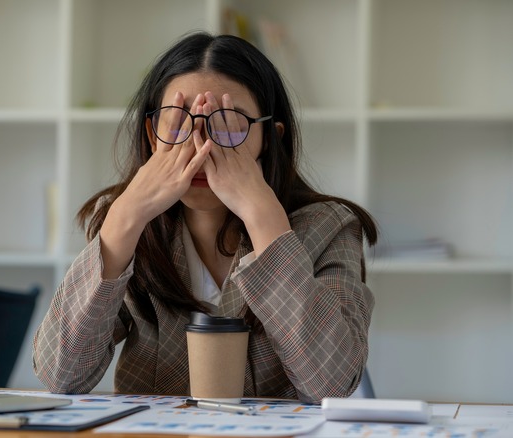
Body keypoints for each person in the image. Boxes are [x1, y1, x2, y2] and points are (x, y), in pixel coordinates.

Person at [32, 32, 377, 403]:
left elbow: (332, 384)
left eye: (228, 123)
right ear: (152, 135)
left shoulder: (330, 226)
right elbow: (60, 375)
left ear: (270, 138)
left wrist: (265, 220)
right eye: (178, 121)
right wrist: (124, 218)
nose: (200, 145)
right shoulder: (127, 225)